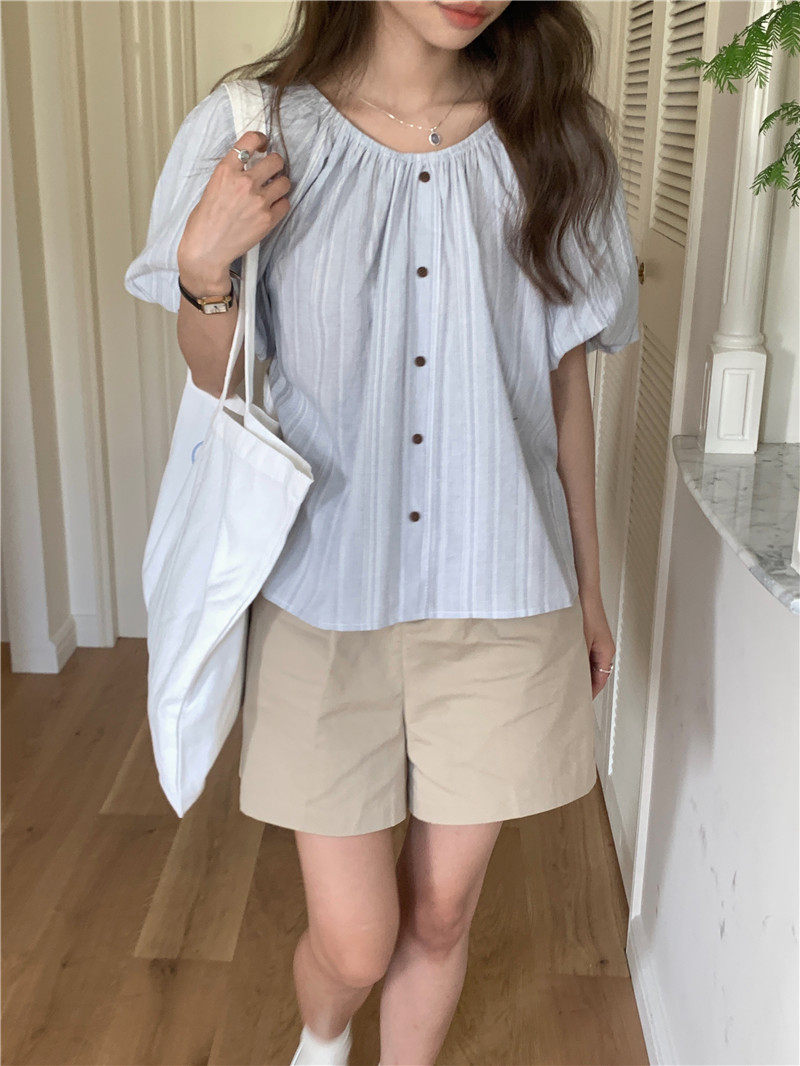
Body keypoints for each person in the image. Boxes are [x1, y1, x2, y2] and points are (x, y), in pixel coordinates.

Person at [124, 2, 639, 1063]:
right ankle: (322, 1041)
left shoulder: (554, 139)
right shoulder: (252, 130)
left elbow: (563, 386)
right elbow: (220, 384)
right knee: (355, 941)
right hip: (322, 592)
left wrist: (588, 589)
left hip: (502, 586)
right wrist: (204, 270)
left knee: (442, 914)